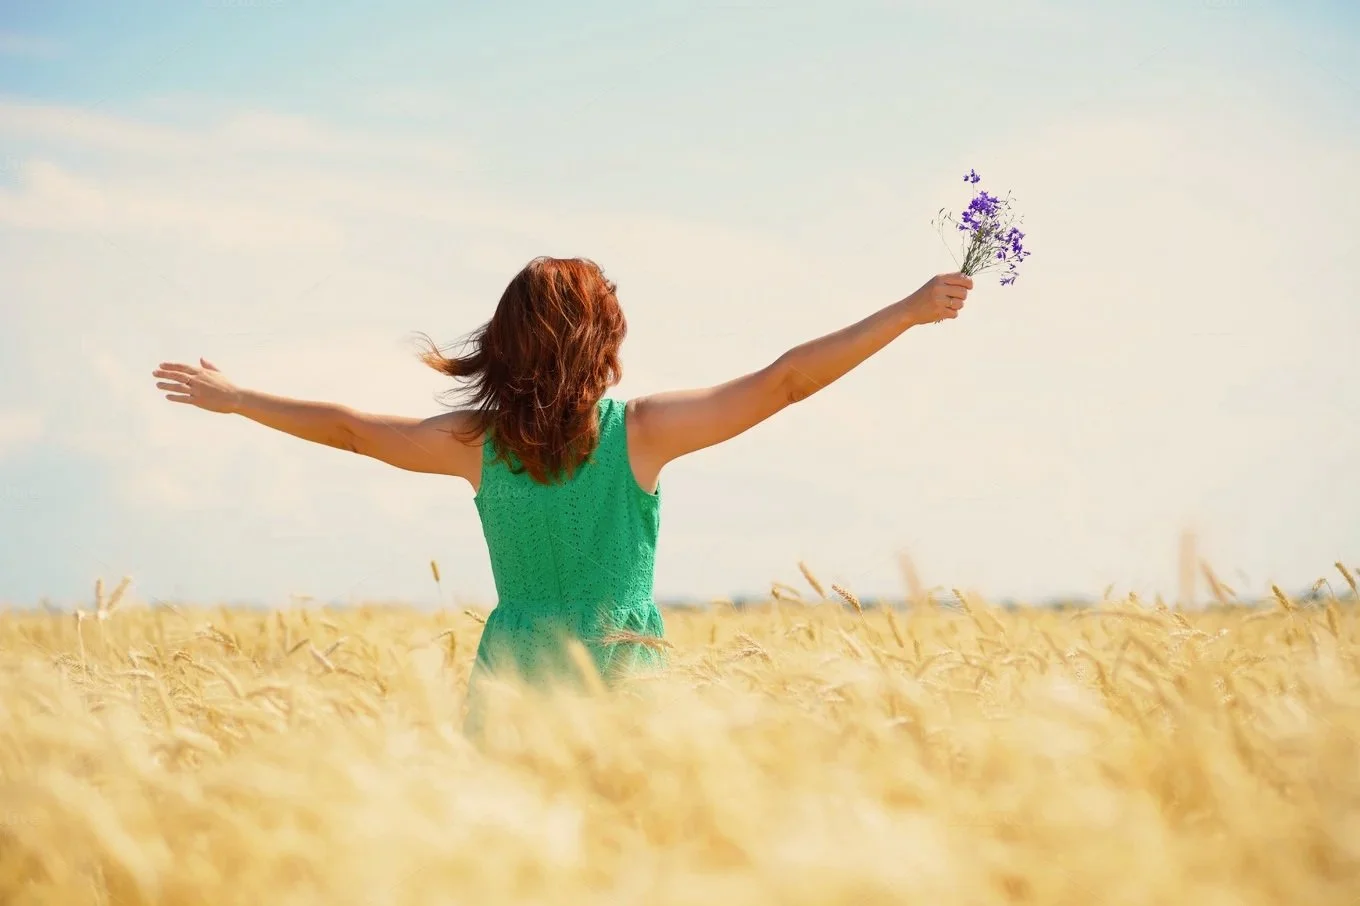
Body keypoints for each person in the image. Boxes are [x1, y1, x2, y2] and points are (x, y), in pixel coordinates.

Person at [152, 256, 971, 734]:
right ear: (600, 342)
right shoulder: (643, 431)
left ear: (507, 346)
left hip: (512, 680)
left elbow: (354, 430)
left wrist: (241, 399)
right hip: (625, 678)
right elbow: (787, 381)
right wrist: (907, 311)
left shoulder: (476, 445)